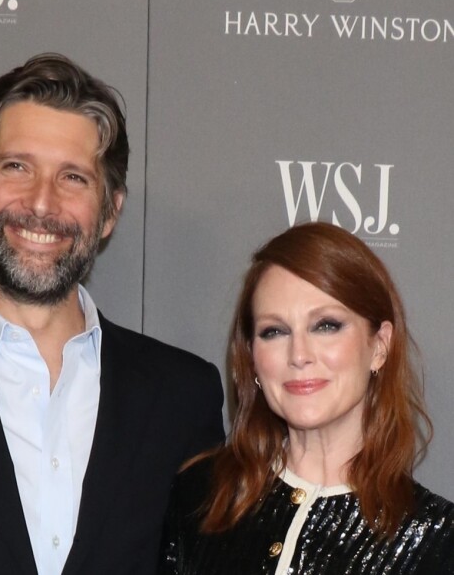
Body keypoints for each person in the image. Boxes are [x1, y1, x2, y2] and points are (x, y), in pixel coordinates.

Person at [0, 53, 224, 575]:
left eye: (74, 178)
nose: (42, 202)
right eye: (17, 167)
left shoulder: (183, 396)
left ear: (109, 212)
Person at [159, 222, 454, 575]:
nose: (299, 354)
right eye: (275, 331)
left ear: (379, 346)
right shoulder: (200, 496)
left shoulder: (437, 541)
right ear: (252, 356)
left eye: (326, 325)